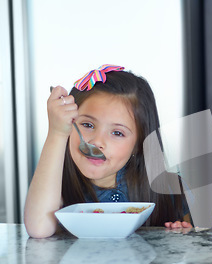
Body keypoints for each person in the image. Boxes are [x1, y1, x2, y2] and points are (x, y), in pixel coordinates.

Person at [24, 65, 191, 238]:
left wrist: (180, 233)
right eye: (87, 125)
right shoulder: (56, 187)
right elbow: (38, 228)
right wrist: (57, 133)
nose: (97, 141)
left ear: (139, 144)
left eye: (117, 133)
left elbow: (192, 247)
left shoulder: (170, 189)